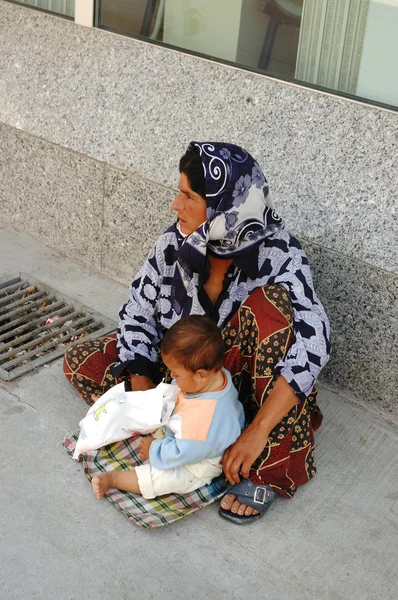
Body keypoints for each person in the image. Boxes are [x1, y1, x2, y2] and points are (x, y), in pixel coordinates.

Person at [64, 141, 330, 524]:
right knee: (82, 363)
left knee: (272, 307)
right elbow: (138, 309)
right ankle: (204, 442)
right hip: (184, 379)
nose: (176, 205)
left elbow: (314, 341)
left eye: (188, 196)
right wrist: (144, 397)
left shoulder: (280, 253)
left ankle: (262, 455)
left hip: (247, 382)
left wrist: (257, 430)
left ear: (225, 209)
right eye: (179, 192)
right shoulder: (174, 242)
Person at [91, 315, 245, 501]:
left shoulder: (202, 417)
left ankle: (114, 479)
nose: (172, 377)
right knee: (146, 412)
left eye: (176, 374)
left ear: (201, 375)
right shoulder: (216, 377)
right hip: (187, 435)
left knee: (163, 479)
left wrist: (155, 449)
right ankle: (116, 411)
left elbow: (185, 453)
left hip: (199, 460)